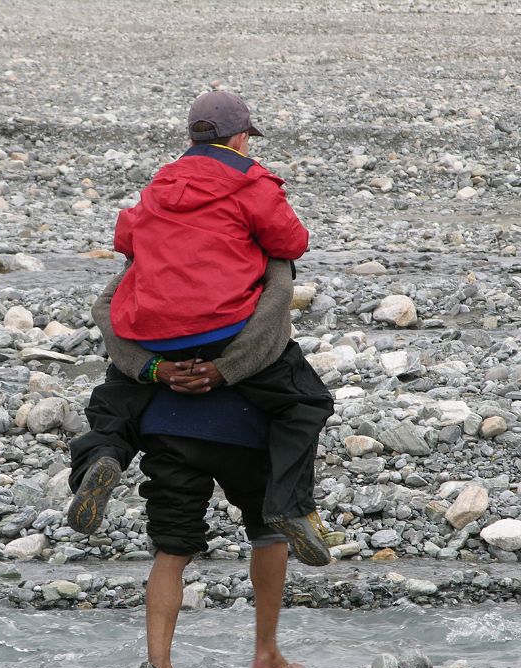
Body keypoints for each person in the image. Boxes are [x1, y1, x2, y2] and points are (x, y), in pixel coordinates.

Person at [68, 90, 335, 566]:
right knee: (305, 403)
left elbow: (126, 239)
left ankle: (101, 458)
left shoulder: (160, 184)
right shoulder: (252, 182)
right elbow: (292, 242)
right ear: (239, 139)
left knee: (116, 398)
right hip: (222, 330)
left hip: (151, 332)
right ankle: (289, 506)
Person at [136, 360, 305, 668]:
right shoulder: (242, 304)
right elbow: (269, 334)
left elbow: (111, 316)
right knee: (268, 528)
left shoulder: (156, 305)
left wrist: (157, 368)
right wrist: (226, 368)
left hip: (168, 420)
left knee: (171, 545)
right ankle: (266, 654)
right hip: (246, 417)